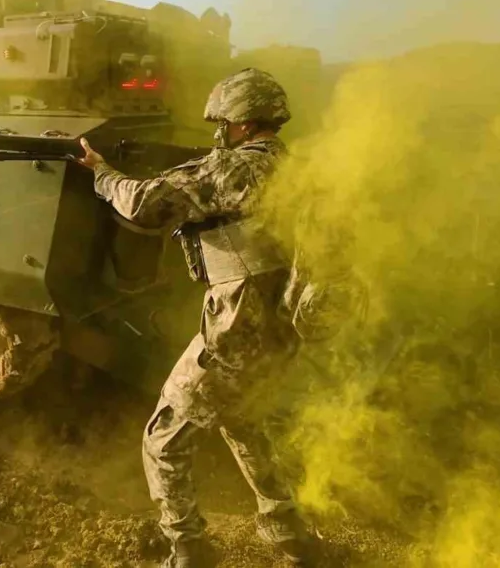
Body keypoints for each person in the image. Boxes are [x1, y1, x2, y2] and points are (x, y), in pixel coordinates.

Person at [72, 68, 321, 567]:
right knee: (244, 420)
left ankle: (187, 550)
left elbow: (144, 203)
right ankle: (288, 534)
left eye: (224, 122)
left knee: (162, 439)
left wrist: (101, 173)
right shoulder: (295, 167)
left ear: (244, 124)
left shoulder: (233, 169)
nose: (220, 131)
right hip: (282, 325)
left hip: (238, 326)